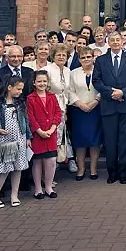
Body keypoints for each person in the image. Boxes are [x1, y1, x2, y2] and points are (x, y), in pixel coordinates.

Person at [92, 31, 126, 184]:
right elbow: (96, 81)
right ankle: (112, 172)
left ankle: (124, 172)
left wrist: (123, 93)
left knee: (125, 141)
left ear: (122, 41)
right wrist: (111, 92)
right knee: (110, 141)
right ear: (108, 41)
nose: (115, 42)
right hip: (108, 105)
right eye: (112, 40)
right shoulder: (101, 60)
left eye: (117, 39)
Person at [0, 76, 31, 208]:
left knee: (18, 168)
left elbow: (26, 121)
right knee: (4, 170)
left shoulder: (20, 104)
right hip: (5, 141)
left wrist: (28, 137)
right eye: (18, 89)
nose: (20, 92)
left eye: (21, 89)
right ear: (9, 87)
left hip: (19, 139)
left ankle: (14, 195)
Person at [26, 69, 62, 199]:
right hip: (37, 135)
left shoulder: (52, 96)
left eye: (44, 81)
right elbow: (30, 117)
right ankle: (38, 189)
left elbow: (58, 113)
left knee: (51, 161)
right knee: (37, 162)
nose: (42, 84)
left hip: (51, 134)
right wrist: (39, 131)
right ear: (34, 83)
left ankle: (48, 187)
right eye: (39, 81)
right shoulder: (30, 98)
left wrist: (52, 129)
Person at [67, 47, 102, 180]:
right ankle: (81, 169)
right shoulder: (73, 73)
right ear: (79, 59)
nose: (86, 59)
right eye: (83, 57)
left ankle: (93, 168)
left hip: (95, 109)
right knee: (80, 140)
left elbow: (103, 87)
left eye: (89, 57)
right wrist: (79, 103)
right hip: (78, 110)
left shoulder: (99, 71)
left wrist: (96, 101)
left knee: (95, 140)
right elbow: (70, 90)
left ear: (93, 58)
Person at [44, 45, 71, 181]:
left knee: (58, 141)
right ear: (53, 56)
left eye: (64, 55)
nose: (61, 57)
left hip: (62, 109)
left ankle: (51, 175)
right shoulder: (46, 70)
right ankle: (45, 176)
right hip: (48, 109)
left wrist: (64, 111)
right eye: (58, 55)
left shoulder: (67, 71)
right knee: (49, 141)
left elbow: (66, 92)